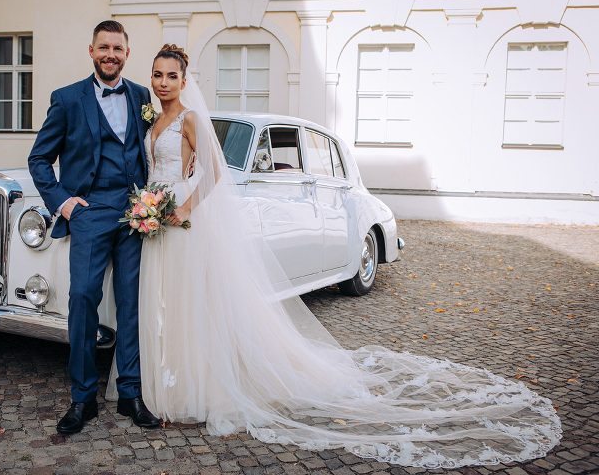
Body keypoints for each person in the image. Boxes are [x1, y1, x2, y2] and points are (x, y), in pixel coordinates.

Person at [133, 44, 561, 468]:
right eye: (157, 74)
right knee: (165, 304)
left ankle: (194, 388)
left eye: (172, 75)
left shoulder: (190, 118)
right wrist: (150, 209)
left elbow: (218, 171)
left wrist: (184, 208)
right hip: (157, 217)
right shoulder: (153, 120)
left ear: (185, 81)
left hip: (184, 218)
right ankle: (165, 385)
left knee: (196, 303)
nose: (164, 82)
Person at [28, 20, 161, 434]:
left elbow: (154, 148)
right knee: (82, 298)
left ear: (126, 53)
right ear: (91, 50)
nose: (110, 55)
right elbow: (39, 159)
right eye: (104, 47)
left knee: (131, 302)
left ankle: (130, 395)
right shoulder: (67, 99)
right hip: (89, 211)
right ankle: (82, 398)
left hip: (135, 213)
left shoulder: (141, 96)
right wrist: (65, 203)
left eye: (117, 49)